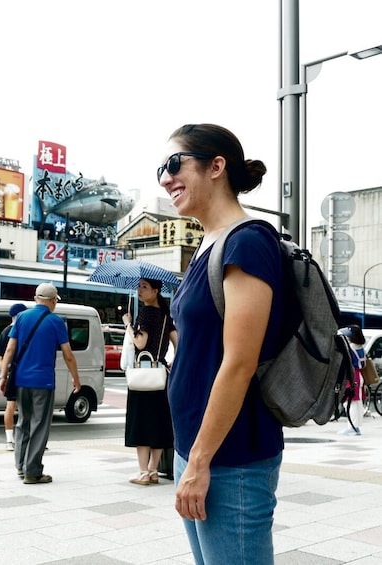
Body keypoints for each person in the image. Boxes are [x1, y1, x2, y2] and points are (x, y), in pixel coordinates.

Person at [160, 123, 284, 564]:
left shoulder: (247, 243)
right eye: (161, 168)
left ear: (217, 167)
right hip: (195, 451)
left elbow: (239, 363)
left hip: (230, 460)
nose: (165, 178)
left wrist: (199, 461)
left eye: (174, 164)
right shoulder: (207, 246)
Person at [0, 283, 81, 484]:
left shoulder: (22, 317)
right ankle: (32, 471)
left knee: (23, 422)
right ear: (53, 301)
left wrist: (3, 376)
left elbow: (9, 349)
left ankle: (20, 465)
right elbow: (68, 355)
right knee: (39, 425)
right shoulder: (56, 321)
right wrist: (76, 379)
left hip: (20, 380)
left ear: (36, 298)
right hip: (43, 381)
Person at [122, 278, 177, 486]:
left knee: (141, 422)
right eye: (138, 286)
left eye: (144, 287)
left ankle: (143, 472)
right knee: (159, 422)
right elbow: (177, 342)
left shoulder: (145, 313)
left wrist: (128, 323)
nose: (139, 290)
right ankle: (153, 470)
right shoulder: (165, 315)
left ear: (155, 291)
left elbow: (140, 341)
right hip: (161, 374)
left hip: (143, 375)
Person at [0, 302, 28, 451]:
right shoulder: (19, 331)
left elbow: (0, 356)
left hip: (13, 374)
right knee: (28, 408)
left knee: (11, 405)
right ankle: (25, 440)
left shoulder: (5, 332)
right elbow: (5, 354)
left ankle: (10, 440)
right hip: (25, 373)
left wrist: (5, 373)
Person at [338, 324, 366, 436]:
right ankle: (356, 426)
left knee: (350, 403)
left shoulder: (351, 347)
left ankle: (352, 427)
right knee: (357, 403)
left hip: (352, 376)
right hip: (359, 376)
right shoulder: (360, 347)